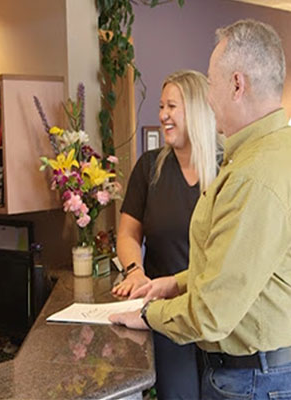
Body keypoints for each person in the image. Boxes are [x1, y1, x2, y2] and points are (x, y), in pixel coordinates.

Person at [110, 19, 291, 400]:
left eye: (212, 83)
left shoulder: (251, 176)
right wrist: (177, 282)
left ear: (237, 85)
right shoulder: (275, 152)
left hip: (249, 380)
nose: (209, 97)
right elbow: (239, 267)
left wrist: (146, 315)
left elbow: (212, 313)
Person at [112, 70, 219, 399]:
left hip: (213, 311)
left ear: (197, 110)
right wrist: (136, 271)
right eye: (161, 106)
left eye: (172, 106)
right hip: (164, 314)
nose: (162, 115)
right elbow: (129, 233)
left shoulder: (228, 169)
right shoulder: (148, 168)